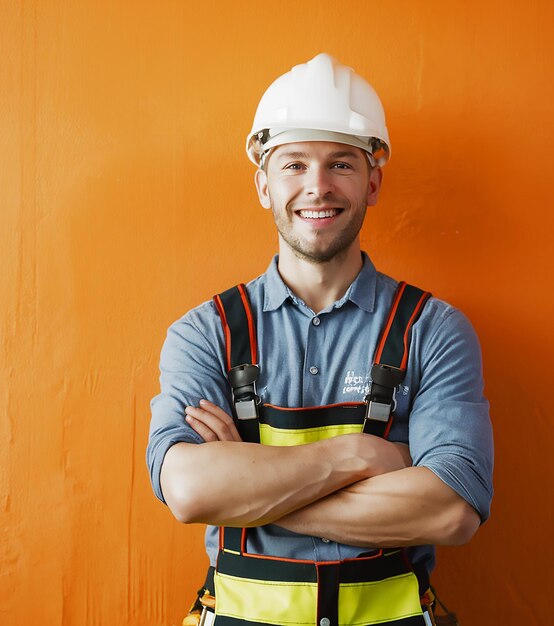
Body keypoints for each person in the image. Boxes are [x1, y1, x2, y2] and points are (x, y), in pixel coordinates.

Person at [147, 53, 493, 626]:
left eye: (341, 164)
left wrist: (249, 486)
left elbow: (452, 512)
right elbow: (188, 491)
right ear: (263, 184)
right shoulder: (204, 333)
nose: (317, 187)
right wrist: (359, 455)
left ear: (373, 182)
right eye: (293, 165)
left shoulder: (433, 330)